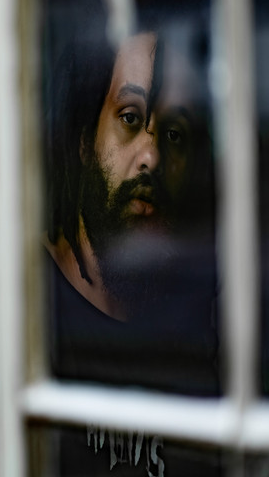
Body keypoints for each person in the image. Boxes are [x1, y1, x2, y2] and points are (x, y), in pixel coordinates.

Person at [44, 26, 217, 393]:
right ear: (85, 141)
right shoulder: (22, 313)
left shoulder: (204, 317)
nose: (152, 157)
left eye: (174, 133)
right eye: (129, 119)